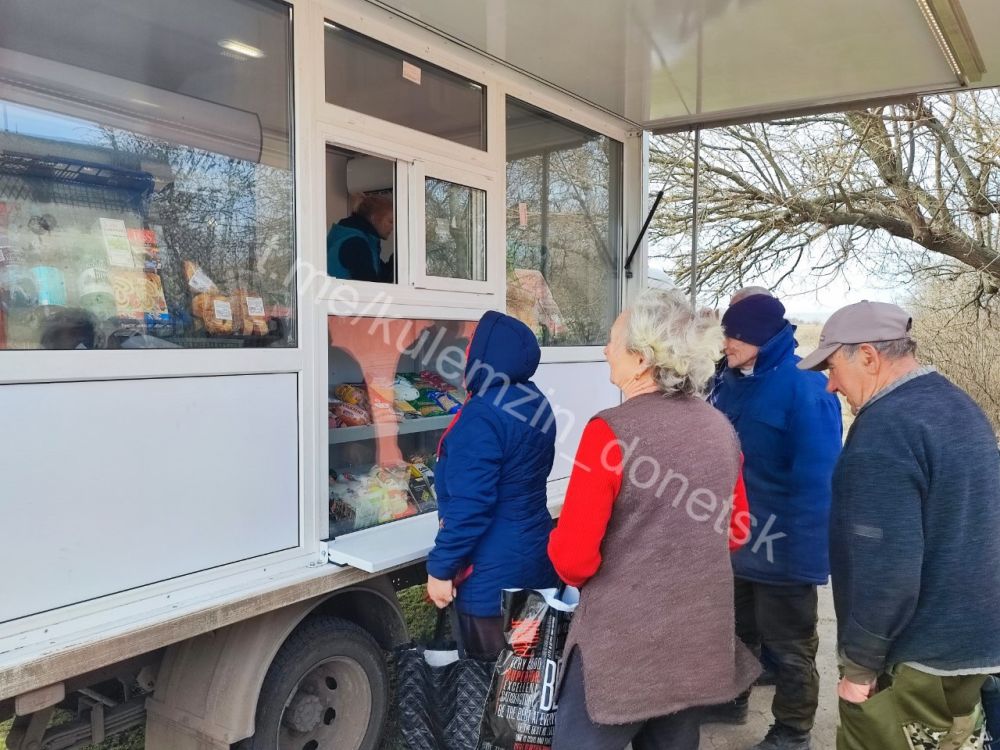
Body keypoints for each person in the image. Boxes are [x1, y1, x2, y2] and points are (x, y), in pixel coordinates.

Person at [548, 289, 759, 750]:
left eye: (612, 340)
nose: (605, 350)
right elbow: (737, 531)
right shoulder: (719, 429)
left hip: (620, 650)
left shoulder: (610, 432)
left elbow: (574, 561)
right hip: (693, 642)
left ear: (641, 358)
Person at [798, 300, 1000, 750]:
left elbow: (887, 568)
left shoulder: (884, 431)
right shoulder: (956, 404)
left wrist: (860, 669)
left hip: (919, 660)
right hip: (974, 647)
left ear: (867, 356)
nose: (830, 386)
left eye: (832, 367)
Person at [708, 293, 842, 750]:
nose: (727, 342)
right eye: (726, 333)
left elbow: (818, 481)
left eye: (736, 335)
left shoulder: (805, 388)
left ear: (763, 337)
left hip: (784, 544)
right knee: (734, 631)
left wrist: (803, 555)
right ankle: (731, 699)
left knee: (790, 646)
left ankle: (793, 728)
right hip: (735, 537)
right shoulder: (726, 382)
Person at [425, 311, 557, 659]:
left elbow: (471, 506)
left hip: (490, 579)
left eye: (473, 344)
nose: (467, 352)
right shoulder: (536, 402)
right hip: (535, 560)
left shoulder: (482, 415)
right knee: (526, 673)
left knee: (491, 683)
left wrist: (440, 569)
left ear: (488, 353)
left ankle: (500, 717)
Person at [326, 194, 394, 282]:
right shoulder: (355, 243)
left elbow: (381, 276)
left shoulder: (355, 236)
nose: (393, 227)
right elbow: (370, 286)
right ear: (374, 219)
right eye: (390, 221)